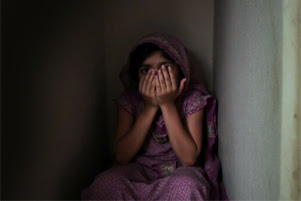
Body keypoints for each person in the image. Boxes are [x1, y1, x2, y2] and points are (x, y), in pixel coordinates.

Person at [81, 32, 228, 200]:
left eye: (165, 67)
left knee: (190, 186)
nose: (156, 76)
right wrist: (150, 106)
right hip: (137, 172)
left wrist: (167, 104)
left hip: (178, 172)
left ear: (180, 70)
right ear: (137, 77)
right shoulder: (130, 100)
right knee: (105, 183)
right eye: (146, 70)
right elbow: (122, 156)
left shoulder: (192, 99)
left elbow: (189, 160)